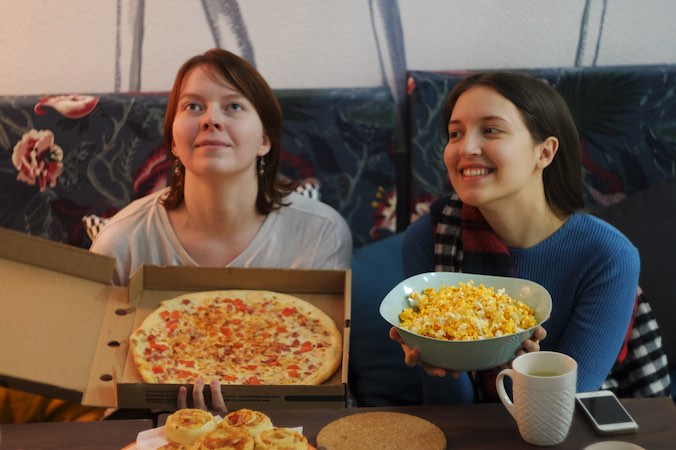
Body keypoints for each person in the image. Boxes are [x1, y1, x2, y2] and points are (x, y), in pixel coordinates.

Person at [89, 48, 351, 413]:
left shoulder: (321, 233)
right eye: (193, 106)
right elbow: (98, 383)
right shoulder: (121, 241)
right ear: (173, 141)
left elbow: (320, 384)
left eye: (234, 106)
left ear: (265, 139)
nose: (211, 119)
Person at [390, 71, 639, 404]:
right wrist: (441, 353)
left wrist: (521, 366)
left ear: (545, 153)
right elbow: (450, 412)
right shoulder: (430, 236)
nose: (467, 147)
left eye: (491, 129)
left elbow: (562, 405)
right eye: (455, 133)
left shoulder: (608, 256)